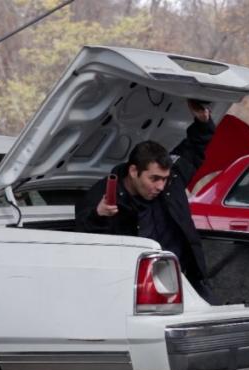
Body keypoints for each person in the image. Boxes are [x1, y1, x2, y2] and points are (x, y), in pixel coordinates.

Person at [75, 99, 216, 301]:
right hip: (139, 291)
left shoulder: (172, 181)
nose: (160, 186)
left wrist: (203, 122)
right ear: (134, 171)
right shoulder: (104, 196)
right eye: (154, 179)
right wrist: (99, 215)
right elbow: (84, 238)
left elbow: (193, 149)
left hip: (188, 280)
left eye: (164, 179)